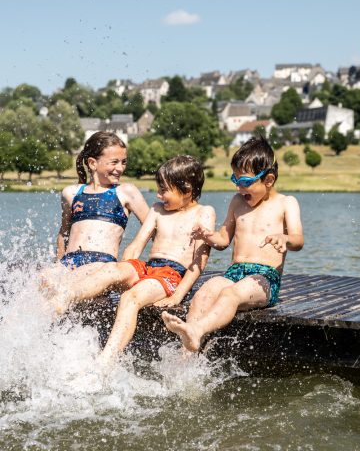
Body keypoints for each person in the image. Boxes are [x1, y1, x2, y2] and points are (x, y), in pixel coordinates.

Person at [48, 155, 215, 364]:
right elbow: (136, 245)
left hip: (170, 274)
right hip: (148, 268)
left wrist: (177, 296)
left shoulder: (204, 213)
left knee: (130, 299)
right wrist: (122, 270)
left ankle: (105, 361)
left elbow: (199, 263)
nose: (159, 194)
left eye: (164, 190)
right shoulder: (157, 209)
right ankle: (65, 297)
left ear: (187, 190)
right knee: (110, 269)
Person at [162, 136, 304, 352]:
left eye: (245, 182)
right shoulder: (238, 202)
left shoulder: (286, 203)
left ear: (269, 180)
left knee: (230, 295)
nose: (239, 187)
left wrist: (285, 239)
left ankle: (196, 331)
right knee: (204, 293)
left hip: (264, 278)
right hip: (234, 272)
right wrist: (208, 235)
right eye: (235, 180)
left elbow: (298, 240)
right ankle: (185, 357)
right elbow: (223, 241)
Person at [41, 131, 149, 302]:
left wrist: (135, 250)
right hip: (69, 261)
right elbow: (64, 233)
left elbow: (153, 226)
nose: (120, 168)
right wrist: (58, 264)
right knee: (43, 278)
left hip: (101, 265)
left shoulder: (126, 192)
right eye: (114, 162)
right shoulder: (71, 193)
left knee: (67, 285)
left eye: (123, 162)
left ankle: (58, 303)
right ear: (92, 163)